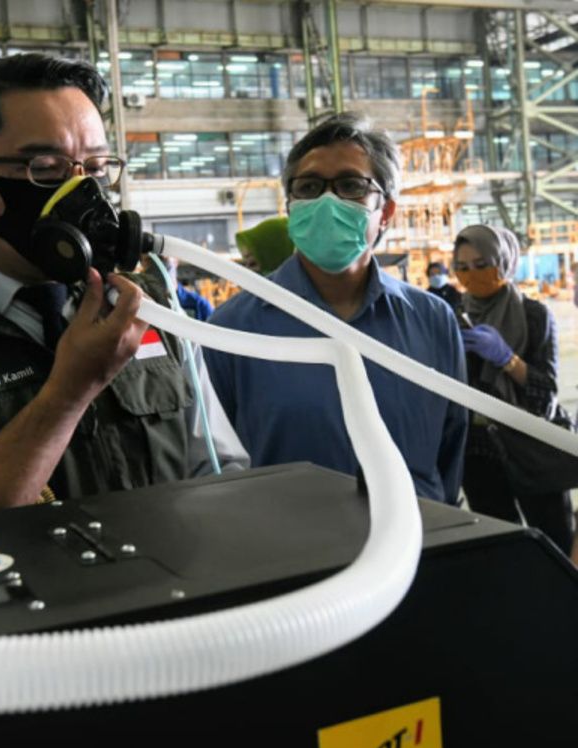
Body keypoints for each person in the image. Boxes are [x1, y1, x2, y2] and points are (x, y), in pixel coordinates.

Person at [0, 53, 247, 523]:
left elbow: (220, 466)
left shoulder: (147, 302)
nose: (81, 193)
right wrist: (69, 392)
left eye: (94, 168)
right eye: (45, 169)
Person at [205, 113, 467, 504]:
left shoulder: (431, 320)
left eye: (350, 185)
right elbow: (216, 463)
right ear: (290, 206)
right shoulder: (231, 331)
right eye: (309, 187)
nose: (327, 201)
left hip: (420, 547)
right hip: (293, 554)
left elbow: (450, 448)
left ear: (388, 212)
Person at [453, 224, 574, 554]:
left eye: (482, 264)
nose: (472, 275)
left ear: (503, 261)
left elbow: (545, 393)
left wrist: (507, 359)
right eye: (462, 267)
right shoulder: (453, 316)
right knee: (499, 544)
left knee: (554, 539)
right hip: (479, 451)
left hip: (531, 445)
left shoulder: (534, 316)